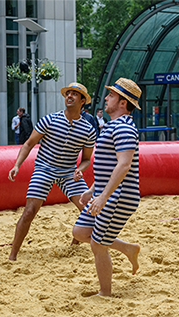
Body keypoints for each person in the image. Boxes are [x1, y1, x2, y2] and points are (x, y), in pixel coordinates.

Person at [8, 82, 96, 261]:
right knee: (29, 211)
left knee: (88, 210)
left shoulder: (88, 130)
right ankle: (13, 255)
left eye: (74, 94)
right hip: (44, 168)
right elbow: (28, 144)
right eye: (67, 93)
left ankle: (74, 245)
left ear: (83, 101)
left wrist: (80, 169)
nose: (69, 96)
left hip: (69, 171)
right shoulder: (49, 120)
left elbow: (87, 159)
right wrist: (17, 165)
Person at [73, 78, 142, 297]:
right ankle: (128, 248)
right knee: (81, 232)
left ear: (123, 103)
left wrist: (103, 195)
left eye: (111, 95)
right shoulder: (113, 125)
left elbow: (124, 165)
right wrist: (93, 189)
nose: (106, 98)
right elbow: (110, 166)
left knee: (98, 244)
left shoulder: (124, 128)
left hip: (119, 195)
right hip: (107, 192)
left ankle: (105, 293)